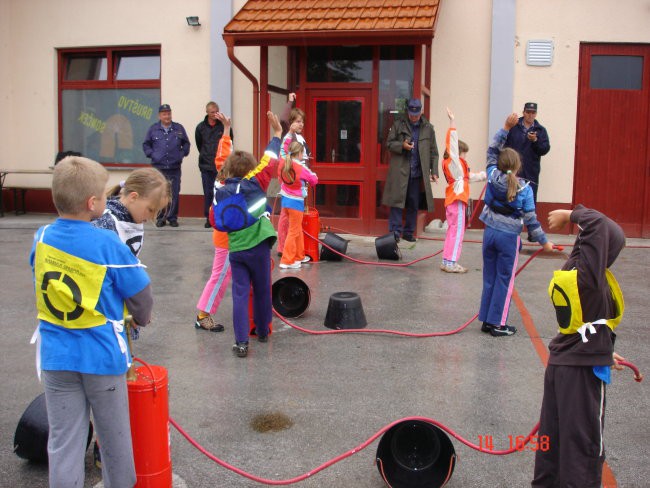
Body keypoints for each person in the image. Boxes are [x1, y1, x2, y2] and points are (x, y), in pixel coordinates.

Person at [30, 156, 153, 488]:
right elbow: (141, 295)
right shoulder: (107, 243)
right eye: (102, 193)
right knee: (114, 440)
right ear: (92, 203)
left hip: (56, 356)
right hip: (102, 358)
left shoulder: (41, 238)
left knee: (64, 441)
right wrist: (141, 317)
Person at [532, 206, 626, 488]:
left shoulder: (574, 270)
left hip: (564, 364)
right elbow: (599, 224)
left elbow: (586, 327)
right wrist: (571, 214)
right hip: (582, 374)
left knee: (552, 442)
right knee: (583, 451)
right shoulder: (590, 279)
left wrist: (604, 352)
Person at [212, 111, 282, 358]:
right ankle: (262, 331)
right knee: (263, 289)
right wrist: (276, 134)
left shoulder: (221, 189)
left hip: (237, 249)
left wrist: (226, 132)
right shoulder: (256, 182)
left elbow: (215, 220)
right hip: (259, 247)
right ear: (250, 169)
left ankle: (241, 342)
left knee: (240, 293)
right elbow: (270, 160)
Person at [478, 113, 554, 337]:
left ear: (501, 164)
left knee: (490, 277)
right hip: (508, 237)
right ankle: (498, 324)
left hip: (489, 232)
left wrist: (505, 128)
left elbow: (491, 150)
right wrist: (544, 242)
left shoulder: (492, 176)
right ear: (518, 166)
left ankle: (487, 320)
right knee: (505, 280)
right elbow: (531, 220)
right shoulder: (525, 189)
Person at [194, 112, 234, 333]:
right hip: (226, 238)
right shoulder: (229, 184)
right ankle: (203, 314)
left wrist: (226, 129)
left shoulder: (223, 172)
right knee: (220, 275)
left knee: (228, 274)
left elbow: (222, 152)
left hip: (230, 236)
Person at [382, 98, 439, 243]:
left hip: (417, 173)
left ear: (421, 111)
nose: (414, 117)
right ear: (408, 112)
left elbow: (434, 152)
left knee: (413, 203)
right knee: (397, 201)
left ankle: (408, 232)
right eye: (412, 114)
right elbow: (389, 144)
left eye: (417, 114)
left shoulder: (429, 128)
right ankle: (395, 232)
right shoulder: (398, 124)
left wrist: (434, 171)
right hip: (400, 171)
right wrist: (402, 145)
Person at [440, 108, 486, 273]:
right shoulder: (454, 163)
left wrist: (487, 175)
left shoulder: (458, 171)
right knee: (457, 232)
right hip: (457, 200)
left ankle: (447, 260)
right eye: (464, 154)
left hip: (453, 200)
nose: (465, 157)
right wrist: (452, 123)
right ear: (458, 153)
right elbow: (452, 143)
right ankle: (451, 262)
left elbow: (470, 177)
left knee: (452, 231)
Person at [93, 167, 171, 257]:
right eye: (150, 210)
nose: (153, 217)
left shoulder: (133, 218)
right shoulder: (105, 224)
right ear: (133, 197)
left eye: (157, 211)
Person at [142, 104, 190, 227]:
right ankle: (160, 218)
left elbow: (186, 144)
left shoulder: (178, 128)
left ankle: (172, 218)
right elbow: (146, 145)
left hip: (174, 167)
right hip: (159, 168)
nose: (167, 116)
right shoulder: (153, 129)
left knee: (174, 192)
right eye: (164, 114)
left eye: (168, 113)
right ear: (160, 115)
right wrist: (153, 155)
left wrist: (181, 154)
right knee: (160, 193)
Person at [277, 95, 311, 257]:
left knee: (292, 218)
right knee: (287, 218)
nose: (301, 124)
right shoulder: (288, 137)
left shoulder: (300, 138)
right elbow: (283, 118)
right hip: (291, 184)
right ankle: (284, 249)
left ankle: (293, 250)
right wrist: (290, 101)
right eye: (297, 121)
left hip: (299, 183)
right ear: (291, 123)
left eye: (302, 121)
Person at [278, 140, 318, 269]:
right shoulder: (301, 168)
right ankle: (287, 260)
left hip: (285, 200)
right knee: (294, 231)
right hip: (296, 202)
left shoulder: (284, 163)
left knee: (296, 228)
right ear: (300, 153)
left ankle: (299, 256)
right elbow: (314, 179)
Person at [195, 101, 234, 228]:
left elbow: (229, 141)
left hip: (221, 167)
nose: (214, 114)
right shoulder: (200, 127)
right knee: (208, 193)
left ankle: (220, 215)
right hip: (206, 166)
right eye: (212, 112)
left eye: (216, 111)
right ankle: (208, 218)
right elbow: (199, 145)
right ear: (207, 112)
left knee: (221, 191)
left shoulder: (223, 126)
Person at [504, 102, 550, 205]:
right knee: (511, 199)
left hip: (531, 171)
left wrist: (535, 141)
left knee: (529, 201)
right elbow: (504, 146)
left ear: (536, 114)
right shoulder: (513, 126)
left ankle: (527, 221)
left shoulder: (540, 130)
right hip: (513, 170)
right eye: (528, 112)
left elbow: (545, 149)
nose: (530, 115)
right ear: (523, 112)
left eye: (533, 112)